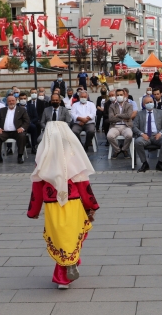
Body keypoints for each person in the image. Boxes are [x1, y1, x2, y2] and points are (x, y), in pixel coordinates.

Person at [27, 121, 99, 289]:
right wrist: (91, 205)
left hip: (52, 203)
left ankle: (64, 272)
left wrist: (33, 210)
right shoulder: (74, 155)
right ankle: (69, 267)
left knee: (60, 238)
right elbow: (83, 184)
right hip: (73, 202)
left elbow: (37, 186)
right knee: (72, 236)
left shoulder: (42, 157)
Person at [133, 97, 162, 172]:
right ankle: (144, 163)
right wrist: (141, 134)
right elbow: (134, 127)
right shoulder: (139, 114)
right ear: (144, 104)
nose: (150, 104)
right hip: (145, 136)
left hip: (157, 135)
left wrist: (160, 133)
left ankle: (160, 163)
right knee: (137, 142)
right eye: (147, 103)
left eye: (151, 102)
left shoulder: (160, 112)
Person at [0, 95, 30, 164]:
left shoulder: (21, 110)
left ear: (16, 101)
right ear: (7, 102)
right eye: (9, 101)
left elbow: (27, 121)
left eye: (13, 101)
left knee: (22, 136)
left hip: (17, 131)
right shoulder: (2, 110)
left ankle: (20, 156)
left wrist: (22, 128)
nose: (11, 102)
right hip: (5, 132)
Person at [107, 89, 134, 159]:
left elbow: (129, 116)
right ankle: (117, 150)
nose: (119, 96)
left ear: (124, 95)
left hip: (126, 126)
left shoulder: (129, 105)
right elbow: (111, 118)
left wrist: (117, 115)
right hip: (115, 126)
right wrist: (123, 117)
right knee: (109, 136)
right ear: (115, 96)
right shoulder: (112, 106)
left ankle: (124, 149)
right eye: (118, 95)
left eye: (121, 95)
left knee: (129, 135)